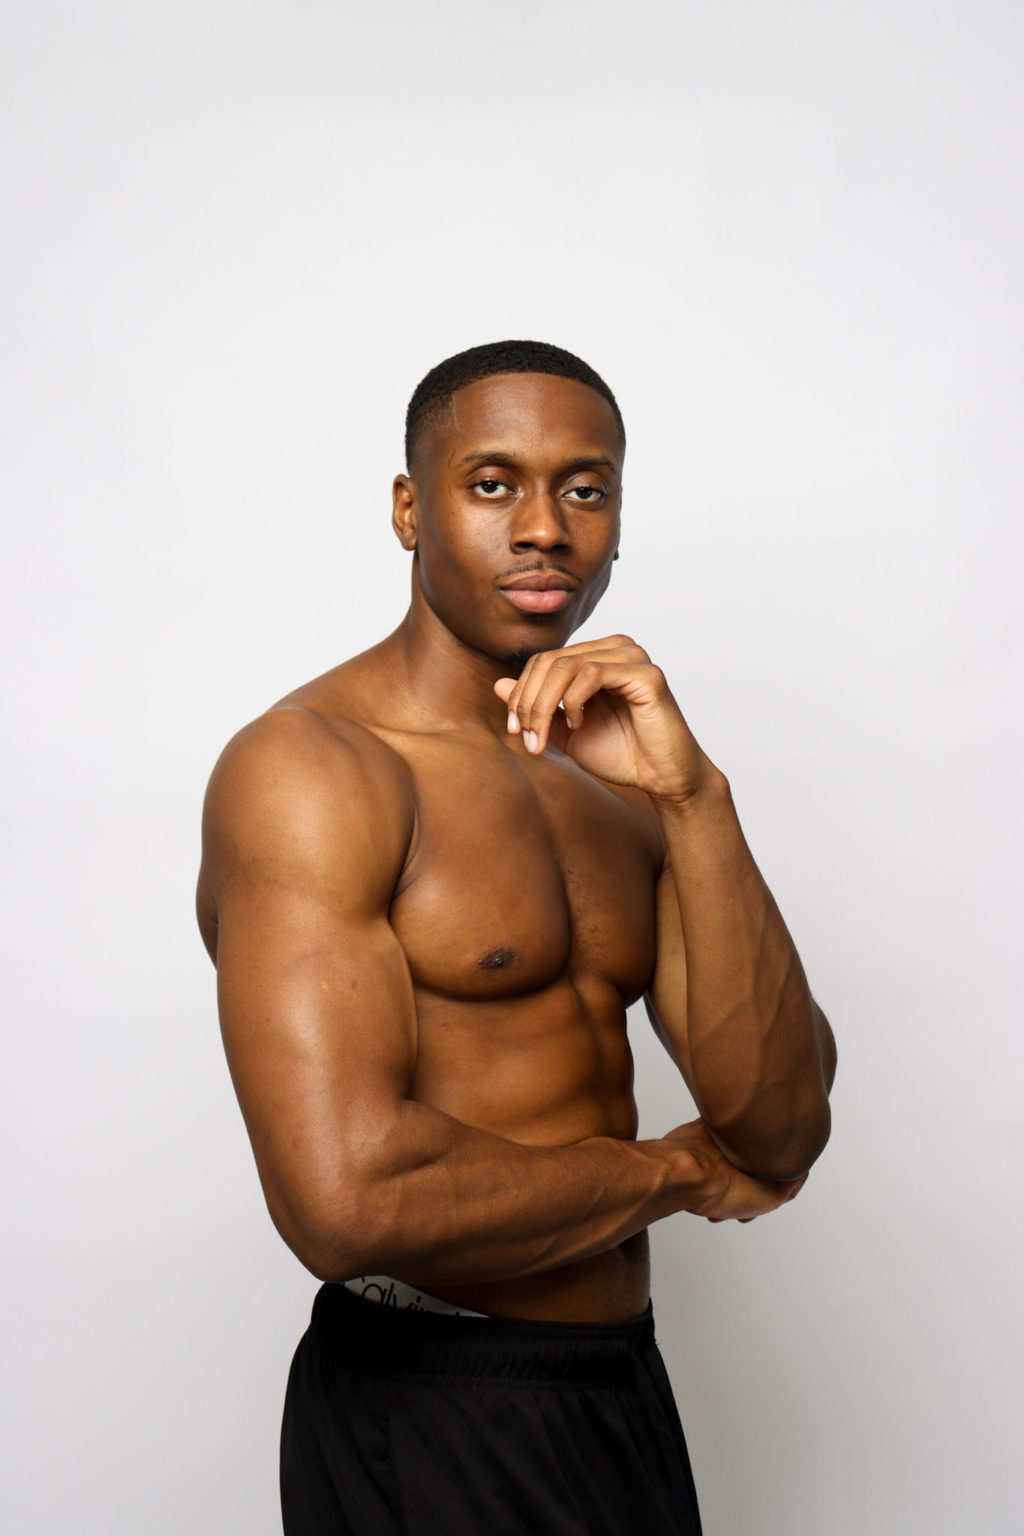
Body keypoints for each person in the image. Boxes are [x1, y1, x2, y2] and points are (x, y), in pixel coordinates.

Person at [196, 339, 836, 1535]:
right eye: (492, 484)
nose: (544, 528)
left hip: (619, 1385)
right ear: (409, 509)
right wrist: (675, 1173)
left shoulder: (621, 778)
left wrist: (695, 799)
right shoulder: (311, 771)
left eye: (584, 490)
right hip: (426, 1397)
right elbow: (344, 1203)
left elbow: (782, 1128)